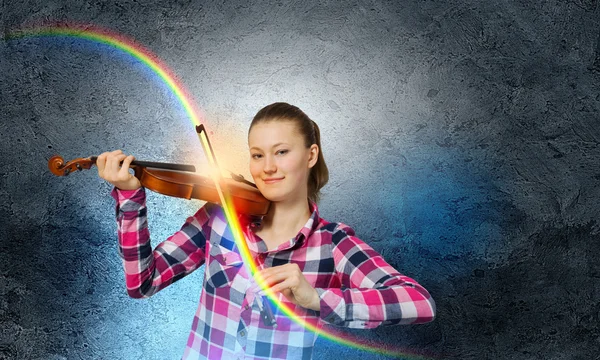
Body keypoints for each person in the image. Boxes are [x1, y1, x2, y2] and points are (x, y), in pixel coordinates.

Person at [97, 102, 436, 360]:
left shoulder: (333, 244)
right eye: (257, 155)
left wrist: (316, 298)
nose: (267, 167)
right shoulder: (220, 216)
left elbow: (420, 303)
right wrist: (130, 196)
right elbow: (142, 283)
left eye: (282, 152)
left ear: (311, 155)